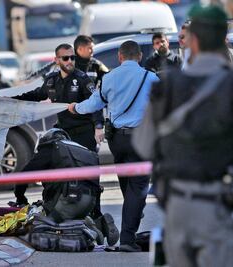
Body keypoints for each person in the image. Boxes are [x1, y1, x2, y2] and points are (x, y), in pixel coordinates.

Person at [133, 5, 233, 266]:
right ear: (223, 38)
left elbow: (144, 146)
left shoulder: (166, 88)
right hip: (219, 208)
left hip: (177, 209)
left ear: (193, 40)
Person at [68, 40, 159, 252]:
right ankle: (128, 239)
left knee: (128, 185)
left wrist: (75, 108)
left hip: (117, 141)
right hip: (141, 140)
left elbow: (94, 104)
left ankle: (132, 217)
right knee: (137, 188)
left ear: (119, 57)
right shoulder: (152, 78)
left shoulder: (109, 77)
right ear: (139, 57)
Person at [12, 43, 103, 212]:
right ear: (56, 60)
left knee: (90, 178)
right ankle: (21, 197)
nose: (70, 61)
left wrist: (99, 126)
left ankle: (96, 216)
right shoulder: (51, 80)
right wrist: (10, 100)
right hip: (62, 136)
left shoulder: (83, 79)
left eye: (73, 58)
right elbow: (36, 95)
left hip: (83, 135)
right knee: (36, 166)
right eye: (66, 58)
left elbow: (95, 103)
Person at [20, 128, 119, 246]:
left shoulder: (51, 147)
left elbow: (24, 175)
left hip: (67, 200)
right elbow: (96, 187)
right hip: (89, 203)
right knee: (72, 214)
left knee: (44, 224)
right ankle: (97, 223)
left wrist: (20, 197)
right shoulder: (85, 152)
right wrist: (97, 213)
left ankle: (90, 231)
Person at [74, 35, 109, 146]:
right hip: (73, 116)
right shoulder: (70, 66)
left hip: (91, 117)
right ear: (79, 49)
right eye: (89, 48)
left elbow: (109, 80)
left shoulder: (96, 65)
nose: (92, 51)